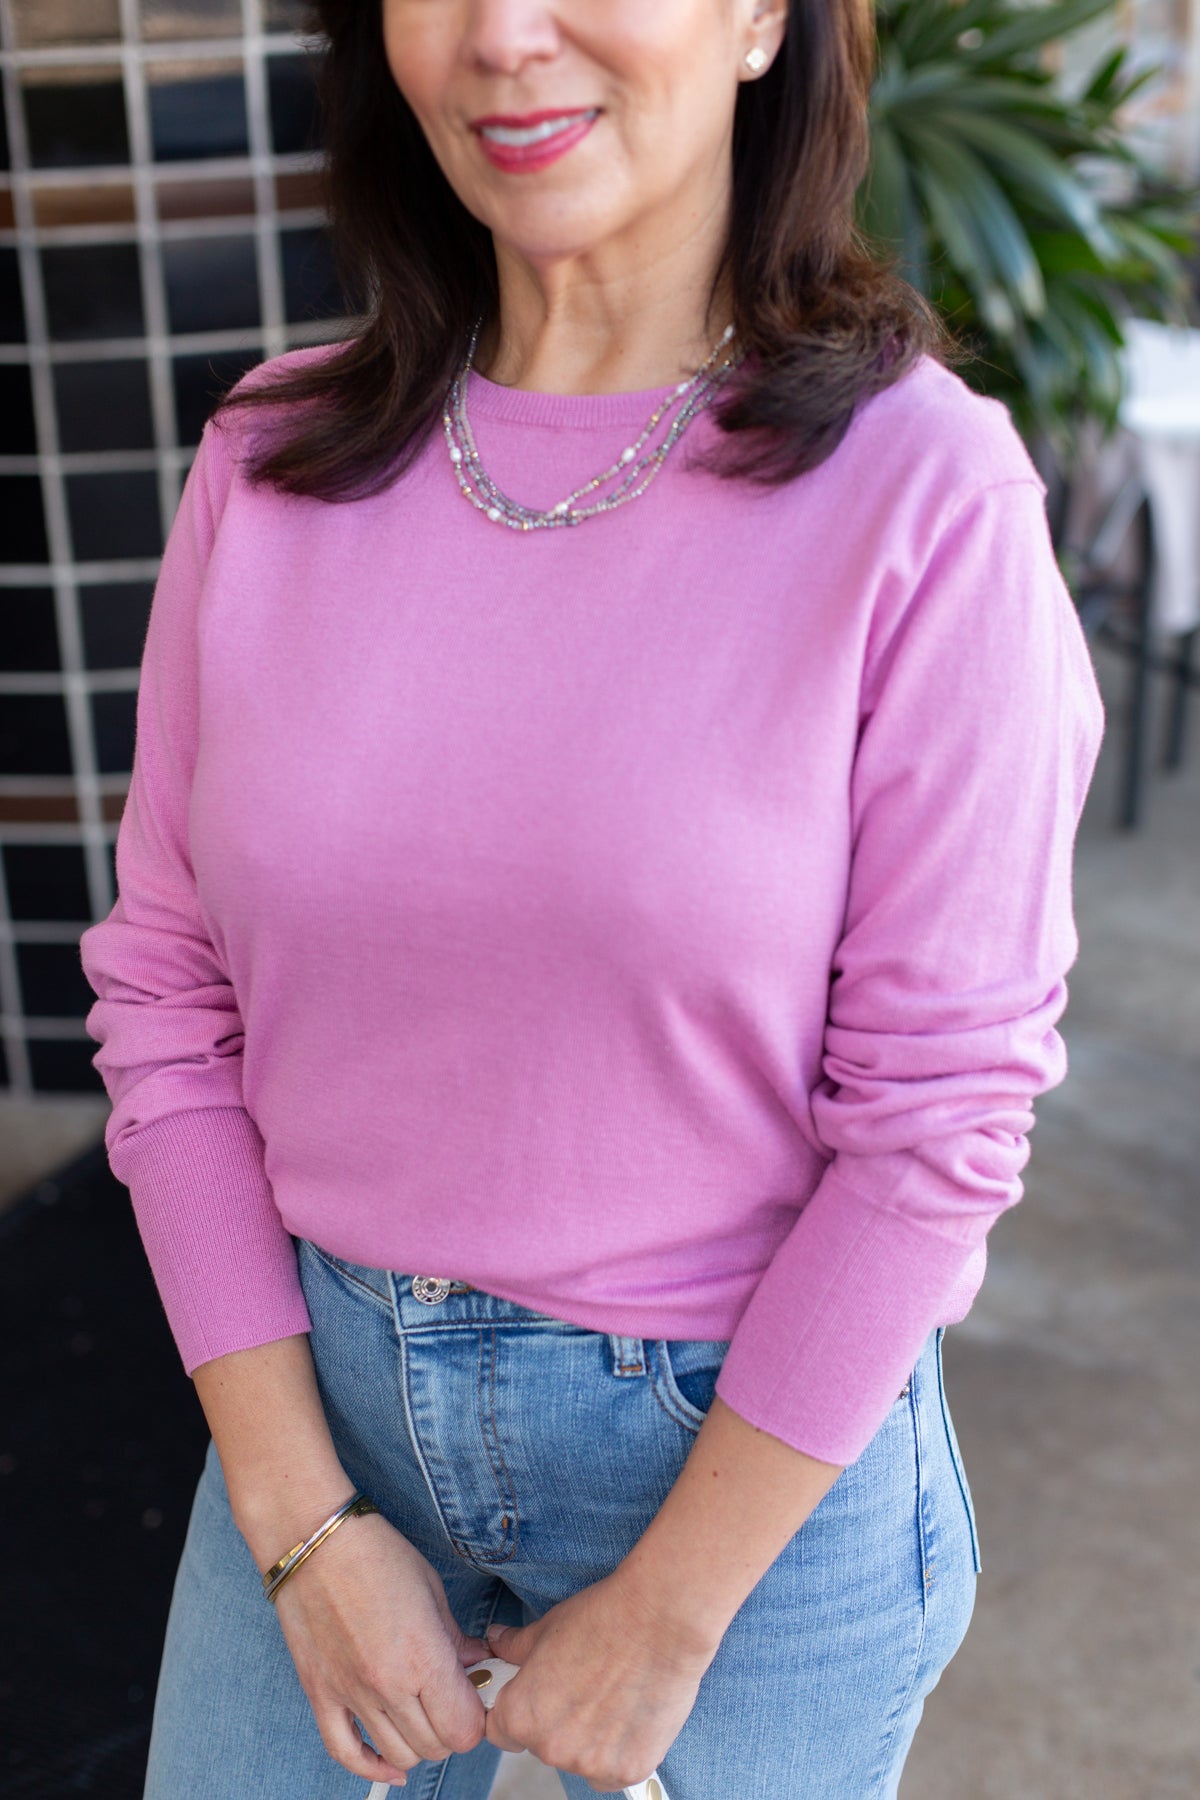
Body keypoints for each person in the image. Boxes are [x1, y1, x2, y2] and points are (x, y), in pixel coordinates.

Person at [79, 0, 1105, 1795]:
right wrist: (299, 1522)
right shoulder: (270, 456)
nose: (502, 36)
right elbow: (165, 997)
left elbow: (940, 1122)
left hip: (741, 1500)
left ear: (761, 15)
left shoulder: (925, 494)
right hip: (318, 1429)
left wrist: (673, 1614)